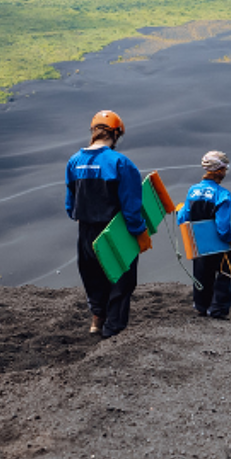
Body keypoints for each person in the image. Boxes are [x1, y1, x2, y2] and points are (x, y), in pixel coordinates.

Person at [64, 109, 150, 339]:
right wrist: (139, 232)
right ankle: (114, 331)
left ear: (93, 132)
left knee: (93, 277)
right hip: (115, 231)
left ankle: (96, 321)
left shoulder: (74, 161)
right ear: (116, 133)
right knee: (122, 282)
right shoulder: (121, 163)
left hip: (85, 231)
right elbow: (131, 207)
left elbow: (69, 205)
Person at [177, 150, 231, 320]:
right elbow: (222, 227)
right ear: (220, 170)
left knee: (201, 273)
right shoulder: (223, 195)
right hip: (219, 246)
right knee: (224, 273)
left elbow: (182, 218)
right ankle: (218, 310)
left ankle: (201, 306)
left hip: (198, 242)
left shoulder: (192, 191)